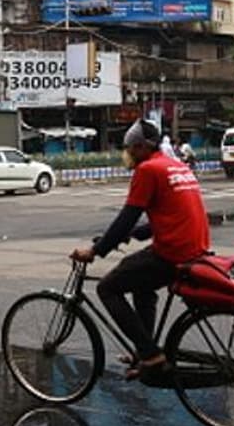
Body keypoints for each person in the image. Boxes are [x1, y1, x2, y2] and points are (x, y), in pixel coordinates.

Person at [70, 119, 210, 379]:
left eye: (131, 148)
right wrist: (133, 235)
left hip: (173, 253)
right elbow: (166, 214)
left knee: (107, 288)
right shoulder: (174, 165)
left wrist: (96, 250)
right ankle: (144, 352)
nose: (129, 154)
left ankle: (151, 355)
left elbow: (128, 216)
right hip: (195, 247)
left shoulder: (147, 170)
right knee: (141, 285)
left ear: (142, 147)